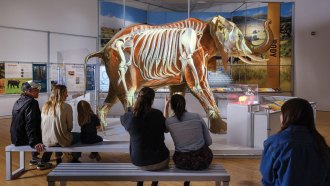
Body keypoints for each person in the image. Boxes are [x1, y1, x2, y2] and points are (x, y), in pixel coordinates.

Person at [260, 98, 330, 186]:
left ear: (287, 116)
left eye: (281, 114)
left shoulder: (274, 143)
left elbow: (268, 179)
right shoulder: (321, 144)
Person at [120, 87, 169, 186]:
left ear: (138, 98)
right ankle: (154, 184)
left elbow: (123, 119)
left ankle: (140, 183)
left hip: (138, 161)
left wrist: (131, 109)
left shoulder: (130, 117)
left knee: (143, 153)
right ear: (152, 100)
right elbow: (166, 129)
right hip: (160, 161)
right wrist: (166, 107)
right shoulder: (157, 114)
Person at [164, 94, 213, 186]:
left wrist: (166, 106)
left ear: (172, 106)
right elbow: (209, 142)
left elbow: (165, 127)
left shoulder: (169, 122)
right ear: (184, 104)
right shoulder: (197, 117)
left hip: (182, 161)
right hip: (203, 160)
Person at [10, 80, 52, 169]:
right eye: (36, 90)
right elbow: (30, 123)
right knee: (51, 139)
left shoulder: (19, 101)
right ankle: (43, 162)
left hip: (15, 137)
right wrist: (34, 143)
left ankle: (34, 158)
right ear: (28, 91)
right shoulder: (32, 102)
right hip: (23, 139)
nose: (38, 92)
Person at [40, 84, 81, 169]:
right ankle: (75, 158)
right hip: (61, 140)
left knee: (56, 136)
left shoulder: (45, 106)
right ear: (61, 94)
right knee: (80, 136)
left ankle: (55, 158)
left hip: (46, 140)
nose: (67, 95)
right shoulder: (66, 107)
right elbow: (70, 127)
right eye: (66, 93)